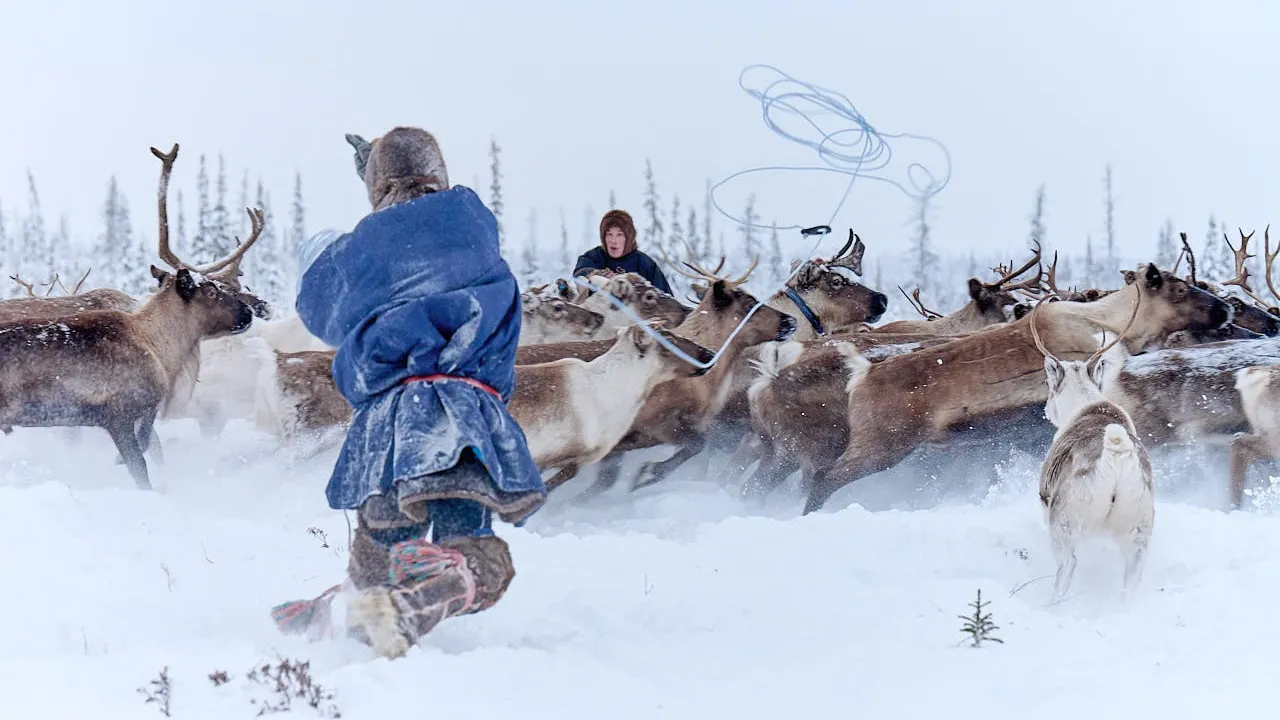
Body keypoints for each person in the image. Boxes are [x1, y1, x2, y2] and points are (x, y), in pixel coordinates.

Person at [270, 126, 547, 659]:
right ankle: (427, 591)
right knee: (474, 552)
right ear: (439, 174)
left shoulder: (365, 252)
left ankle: (366, 616)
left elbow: (323, 311)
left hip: (386, 431)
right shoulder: (476, 238)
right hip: (462, 420)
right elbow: (504, 336)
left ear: (376, 185)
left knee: (380, 547)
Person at [572, 209, 673, 294]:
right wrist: (595, 275)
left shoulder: (644, 263)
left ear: (628, 237)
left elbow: (665, 298)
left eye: (619, 235)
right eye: (609, 234)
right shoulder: (594, 256)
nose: (613, 241)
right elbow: (580, 274)